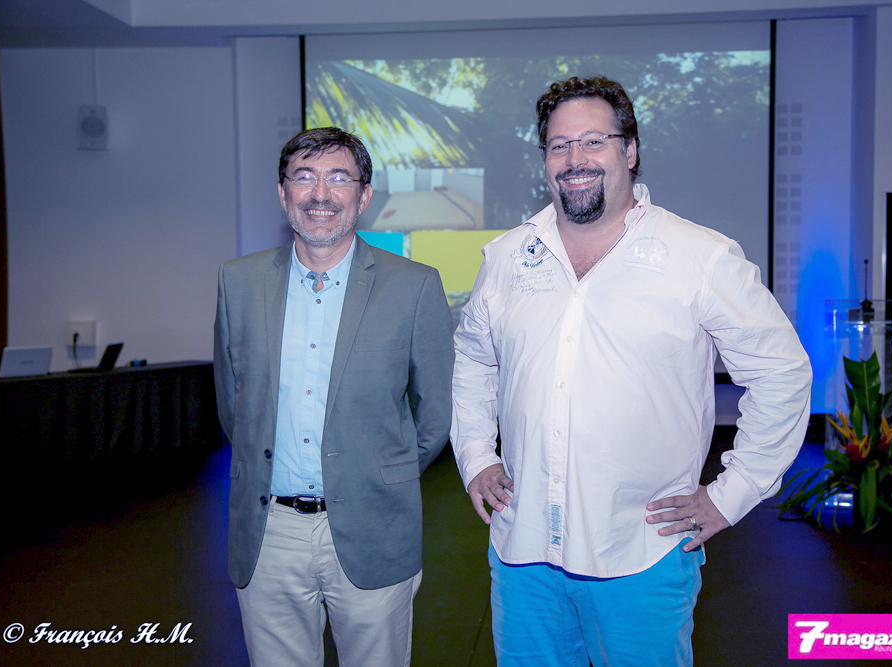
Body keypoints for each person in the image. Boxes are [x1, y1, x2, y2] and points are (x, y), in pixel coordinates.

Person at [451, 76, 812, 666]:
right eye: (559, 145)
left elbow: (783, 372)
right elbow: (473, 357)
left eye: (594, 141)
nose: (575, 159)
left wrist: (734, 492)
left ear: (631, 149)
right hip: (523, 553)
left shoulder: (699, 256)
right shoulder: (508, 257)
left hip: (641, 555)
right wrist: (475, 453)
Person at [214, 127, 454, 667]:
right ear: (283, 193)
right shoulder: (238, 282)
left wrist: (382, 473)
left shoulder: (413, 285)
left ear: (363, 196)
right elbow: (233, 405)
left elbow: (436, 412)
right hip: (268, 533)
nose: (320, 193)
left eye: (339, 178)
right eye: (304, 176)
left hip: (374, 525)